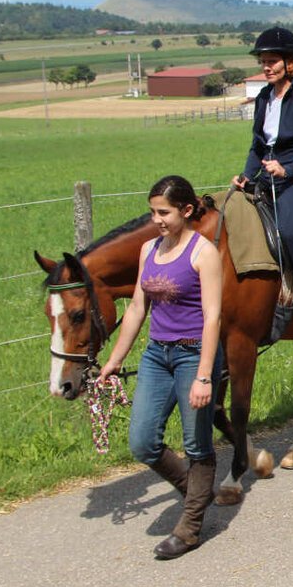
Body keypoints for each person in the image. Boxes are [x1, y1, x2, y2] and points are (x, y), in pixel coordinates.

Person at [97, 175, 224, 559]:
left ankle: (189, 529)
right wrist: (115, 359)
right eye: (153, 212)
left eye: (164, 212)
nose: (157, 220)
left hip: (193, 354)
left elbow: (213, 317)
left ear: (187, 210)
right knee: (142, 441)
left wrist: (204, 376)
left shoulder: (204, 253)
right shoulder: (148, 249)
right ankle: (196, 491)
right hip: (157, 356)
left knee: (196, 443)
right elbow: (138, 308)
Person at [231, 26, 293, 333]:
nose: (266, 67)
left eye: (272, 61)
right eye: (263, 61)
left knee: (290, 231)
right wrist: (246, 175)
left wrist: (287, 170)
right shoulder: (263, 98)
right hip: (268, 179)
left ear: (290, 63)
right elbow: (258, 146)